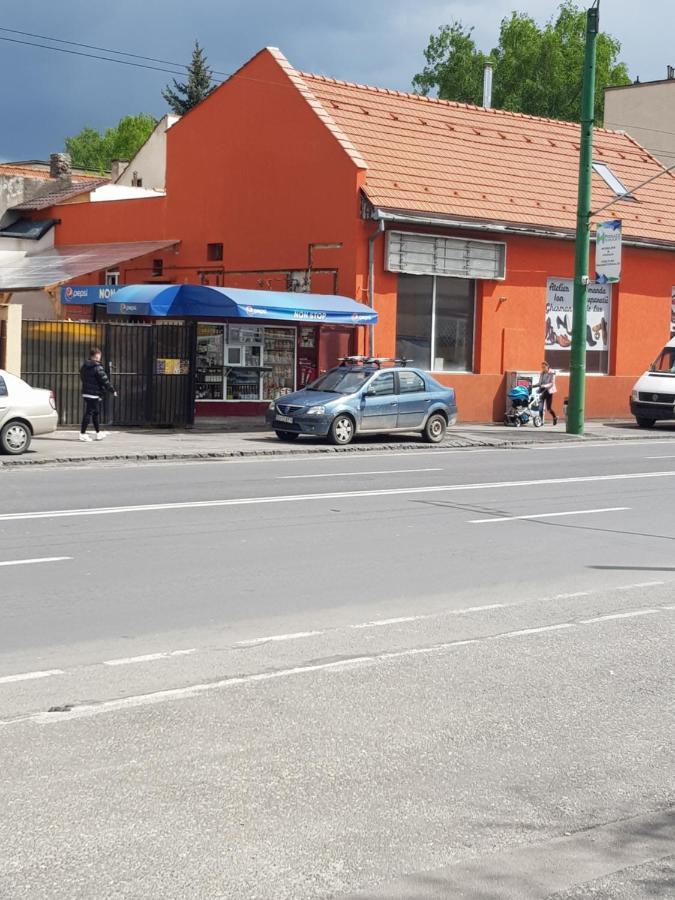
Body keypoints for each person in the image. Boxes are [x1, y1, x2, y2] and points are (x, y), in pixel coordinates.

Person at [79, 347, 116, 441]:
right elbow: (105, 381)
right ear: (96, 356)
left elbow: (82, 377)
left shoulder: (84, 366)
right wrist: (112, 390)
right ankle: (82, 434)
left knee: (95, 413)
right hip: (94, 394)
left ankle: (98, 433)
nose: (100, 358)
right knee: (89, 413)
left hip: (86, 392)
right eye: (99, 356)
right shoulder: (97, 367)